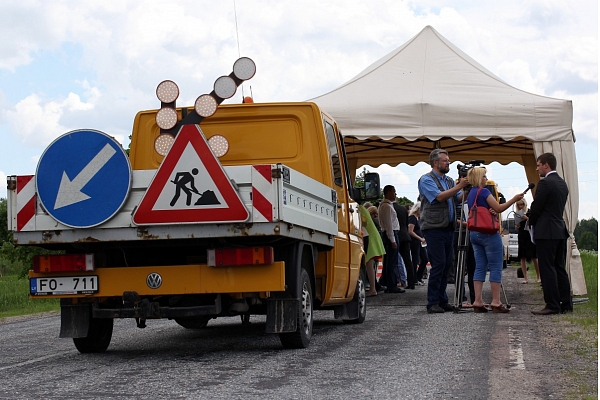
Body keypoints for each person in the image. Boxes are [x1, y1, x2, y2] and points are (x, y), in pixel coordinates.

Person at [418, 149, 469, 313]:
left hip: (448, 227)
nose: (448, 163)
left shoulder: (448, 180)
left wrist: (466, 188)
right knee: (438, 264)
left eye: (448, 160)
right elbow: (439, 197)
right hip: (433, 228)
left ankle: (442, 300)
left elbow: (457, 198)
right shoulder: (426, 180)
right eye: (445, 160)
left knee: (447, 265)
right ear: (435, 163)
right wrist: (460, 185)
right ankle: (432, 302)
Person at [466, 167, 524, 313]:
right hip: (488, 233)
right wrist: (514, 199)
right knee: (496, 266)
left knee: (479, 266)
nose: (486, 178)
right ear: (479, 178)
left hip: (474, 232)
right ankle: (496, 301)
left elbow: (481, 209)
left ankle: (477, 300)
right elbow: (498, 208)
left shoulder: (471, 193)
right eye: (484, 176)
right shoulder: (484, 191)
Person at [528, 153, 572, 315]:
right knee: (559, 267)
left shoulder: (545, 183)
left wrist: (530, 219)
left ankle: (552, 304)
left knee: (547, 268)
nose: (537, 168)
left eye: (539, 165)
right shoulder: (562, 183)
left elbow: (537, 207)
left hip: (546, 231)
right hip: (559, 229)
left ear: (546, 165)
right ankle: (566, 303)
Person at [378, 185, 404, 293]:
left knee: (389, 261)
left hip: (388, 234)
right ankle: (392, 285)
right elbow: (389, 225)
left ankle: (387, 282)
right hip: (391, 234)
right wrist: (393, 240)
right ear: (388, 193)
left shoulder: (384, 205)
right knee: (392, 262)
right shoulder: (387, 207)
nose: (395, 194)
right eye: (394, 192)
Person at [359, 204, 386, 297]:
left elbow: (363, 222)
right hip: (371, 236)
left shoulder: (357, 207)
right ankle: (373, 288)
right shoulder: (361, 208)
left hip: (367, 236)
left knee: (368, 264)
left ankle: (373, 289)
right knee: (370, 264)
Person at [514, 199, 540, 284]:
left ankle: (539, 276)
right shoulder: (517, 214)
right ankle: (525, 277)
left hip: (529, 235)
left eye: (522, 204)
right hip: (522, 235)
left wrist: (527, 218)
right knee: (522, 257)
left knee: (534, 256)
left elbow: (534, 222)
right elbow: (517, 226)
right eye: (519, 205)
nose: (521, 206)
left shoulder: (529, 212)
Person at [393, 202, 416, 289]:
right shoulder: (403, 209)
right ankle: (411, 282)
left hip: (396, 235)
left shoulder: (390, 208)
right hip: (405, 236)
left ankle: (396, 281)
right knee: (408, 261)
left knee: (394, 260)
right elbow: (406, 223)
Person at [408, 202, 429, 285]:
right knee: (415, 259)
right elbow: (410, 231)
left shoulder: (417, 219)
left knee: (425, 259)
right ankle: (414, 279)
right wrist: (420, 238)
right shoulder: (412, 218)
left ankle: (418, 276)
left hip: (420, 242)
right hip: (415, 242)